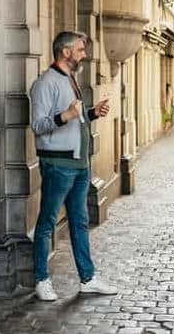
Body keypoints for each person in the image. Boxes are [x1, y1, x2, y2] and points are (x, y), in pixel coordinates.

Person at [29, 31, 117, 301]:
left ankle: (87, 279)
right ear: (65, 52)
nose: (84, 54)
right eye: (80, 50)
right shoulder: (45, 83)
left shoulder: (70, 79)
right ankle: (41, 280)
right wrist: (66, 115)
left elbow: (76, 118)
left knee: (80, 222)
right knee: (47, 222)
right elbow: (39, 126)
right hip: (58, 164)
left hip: (79, 164)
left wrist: (91, 113)